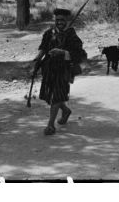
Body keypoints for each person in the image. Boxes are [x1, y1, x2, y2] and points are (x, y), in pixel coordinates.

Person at [33, 8, 86, 136]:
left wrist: (62, 52)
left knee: (56, 95)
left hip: (64, 70)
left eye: (62, 20)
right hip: (49, 69)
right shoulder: (48, 33)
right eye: (57, 20)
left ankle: (50, 125)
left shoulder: (72, 36)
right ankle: (66, 110)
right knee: (53, 95)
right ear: (54, 20)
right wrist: (37, 59)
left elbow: (79, 54)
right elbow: (43, 48)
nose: (60, 22)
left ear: (67, 20)